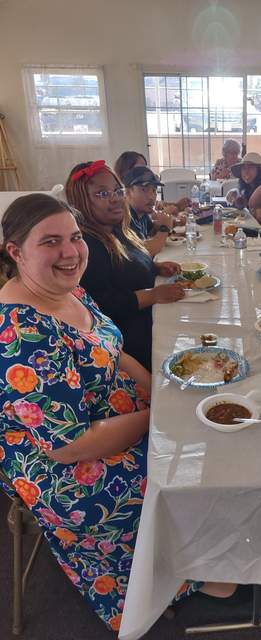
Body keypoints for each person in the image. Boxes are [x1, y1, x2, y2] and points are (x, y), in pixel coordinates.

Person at [0, 194, 235, 631]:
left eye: (74, 237)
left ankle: (191, 557)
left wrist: (164, 391)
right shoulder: (20, 332)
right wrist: (163, 416)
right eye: (50, 242)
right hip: (60, 461)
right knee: (173, 476)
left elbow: (114, 349)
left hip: (108, 411)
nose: (70, 252)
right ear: (16, 252)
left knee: (207, 438)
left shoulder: (68, 288)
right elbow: (68, 446)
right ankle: (156, 582)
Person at [65, 161, 185, 371]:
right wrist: (153, 294)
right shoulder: (87, 244)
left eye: (117, 191)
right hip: (130, 345)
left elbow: (127, 264)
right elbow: (101, 304)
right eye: (102, 194)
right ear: (80, 201)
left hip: (153, 319)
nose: (115, 199)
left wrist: (155, 268)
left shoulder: (115, 229)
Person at [123, 166, 174, 256]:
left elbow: (151, 231)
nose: (151, 197)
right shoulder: (124, 217)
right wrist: (164, 229)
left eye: (154, 190)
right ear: (127, 192)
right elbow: (143, 251)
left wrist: (167, 222)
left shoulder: (142, 213)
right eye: (144, 190)